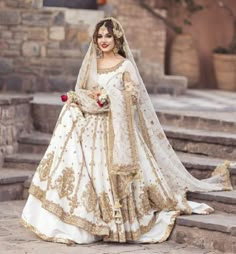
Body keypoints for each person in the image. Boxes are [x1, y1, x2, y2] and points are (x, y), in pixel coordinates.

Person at [21, 17, 233, 244]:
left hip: (116, 131)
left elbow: (133, 98)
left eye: (108, 36)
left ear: (117, 38)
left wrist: (109, 99)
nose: (103, 40)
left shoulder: (125, 65)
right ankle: (79, 221)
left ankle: (116, 222)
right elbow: (83, 89)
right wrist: (81, 99)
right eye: (100, 36)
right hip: (90, 129)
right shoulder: (91, 63)